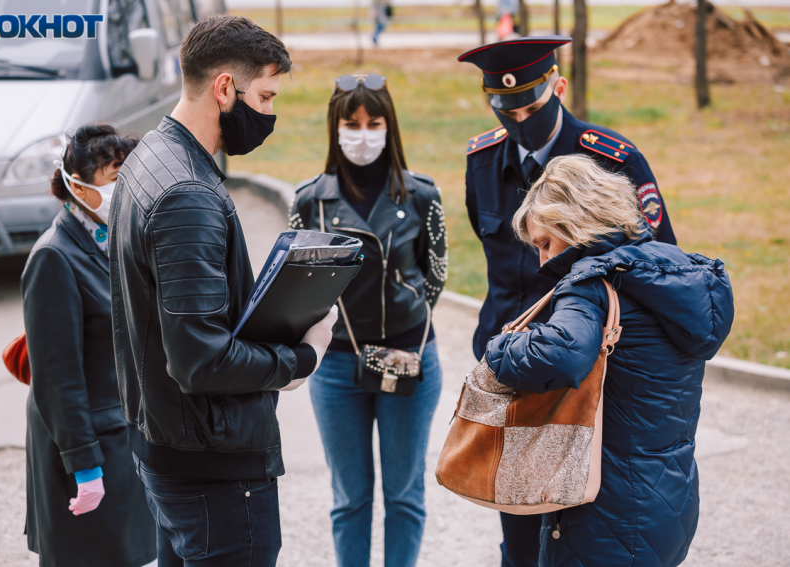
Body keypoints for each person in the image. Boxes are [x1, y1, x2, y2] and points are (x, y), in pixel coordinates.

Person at [109, 15, 337, 566]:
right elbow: (200, 360)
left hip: (165, 444)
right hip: (211, 467)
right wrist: (300, 358)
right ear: (224, 88)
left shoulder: (146, 158)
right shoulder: (187, 192)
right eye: (265, 95)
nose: (269, 113)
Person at [457, 35, 678, 567]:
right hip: (515, 371)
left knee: (580, 529)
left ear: (558, 86)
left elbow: (659, 263)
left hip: (589, 376)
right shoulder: (484, 160)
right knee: (518, 524)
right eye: (506, 109)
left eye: (532, 106)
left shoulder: (611, 162)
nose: (520, 120)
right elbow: (499, 273)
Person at [485, 154, 733, 566]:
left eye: (545, 243)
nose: (543, 260)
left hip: (605, 512)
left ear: (572, 219)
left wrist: (500, 347)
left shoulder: (591, 286)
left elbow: (560, 354)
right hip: (669, 500)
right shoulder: (671, 273)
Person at [289, 73, 447, 567]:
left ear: (388, 126)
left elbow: (436, 276)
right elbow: (297, 288)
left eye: (373, 122)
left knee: (404, 495)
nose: (362, 134)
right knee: (349, 499)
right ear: (334, 128)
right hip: (335, 367)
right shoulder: (309, 201)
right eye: (351, 123)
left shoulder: (422, 196)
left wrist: (403, 325)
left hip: (409, 357)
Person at [21, 124, 156, 567]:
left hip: (122, 437)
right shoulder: (54, 257)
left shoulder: (115, 239)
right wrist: (84, 465)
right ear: (76, 184)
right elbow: (57, 379)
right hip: (84, 446)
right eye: (113, 175)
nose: (124, 187)